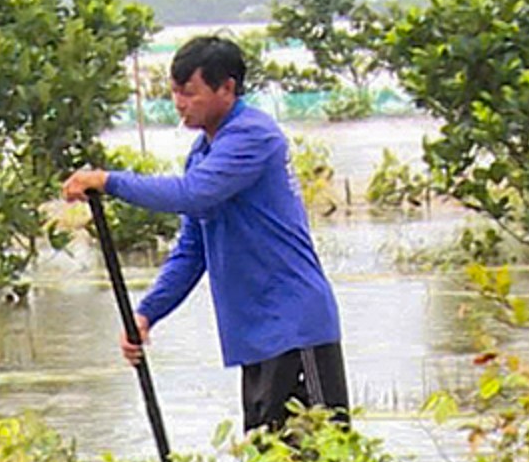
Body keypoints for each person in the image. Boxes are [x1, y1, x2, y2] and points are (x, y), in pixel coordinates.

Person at [61, 33, 349, 433]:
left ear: (227, 88)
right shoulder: (202, 153)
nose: (179, 103)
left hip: (296, 327)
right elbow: (192, 251)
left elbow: (192, 194)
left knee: (323, 461)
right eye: (175, 92)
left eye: (189, 92)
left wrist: (109, 181)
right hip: (255, 337)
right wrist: (146, 314)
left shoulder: (253, 135)